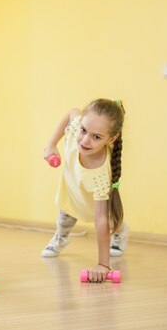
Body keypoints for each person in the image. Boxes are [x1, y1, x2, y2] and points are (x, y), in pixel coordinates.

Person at [41, 98, 129, 282]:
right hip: (72, 190)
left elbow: (100, 219)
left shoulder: (100, 175)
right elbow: (72, 111)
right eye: (84, 130)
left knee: (111, 223)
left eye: (96, 137)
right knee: (64, 219)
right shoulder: (75, 131)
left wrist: (103, 264)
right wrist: (51, 143)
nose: (85, 140)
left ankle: (120, 231)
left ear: (111, 139)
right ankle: (61, 238)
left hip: (97, 203)